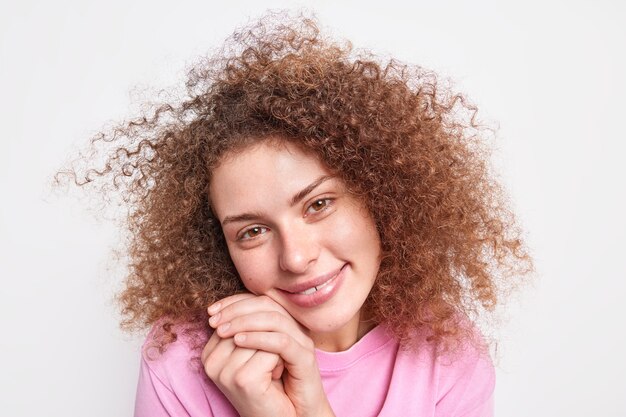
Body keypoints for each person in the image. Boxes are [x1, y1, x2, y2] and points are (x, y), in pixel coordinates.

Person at [63, 13, 532, 417]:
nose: (296, 257)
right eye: (252, 231)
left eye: (318, 204)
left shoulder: (445, 354)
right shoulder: (180, 357)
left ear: (380, 196)